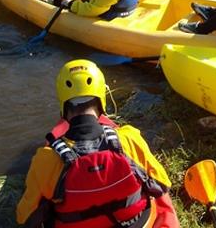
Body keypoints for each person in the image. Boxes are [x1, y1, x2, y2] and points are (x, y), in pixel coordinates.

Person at [16, 59, 180, 228]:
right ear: (101, 98)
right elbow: (162, 184)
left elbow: (25, 215)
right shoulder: (130, 139)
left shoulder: (46, 160)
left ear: (63, 105)